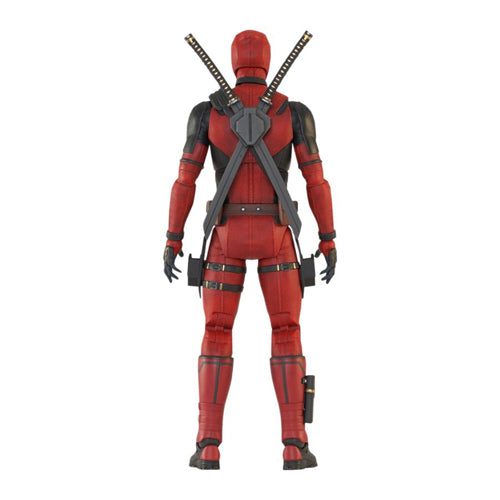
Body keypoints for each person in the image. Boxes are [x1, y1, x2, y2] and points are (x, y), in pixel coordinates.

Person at [164, 30, 336, 470]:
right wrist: (328, 237)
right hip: (277, 235)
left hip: (226, 237)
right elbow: (316, 180)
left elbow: (185, 180)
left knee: (216, 332)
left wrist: (173, 238)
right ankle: (295, 444)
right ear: (267, 60)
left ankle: (207, 445)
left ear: (234, 62)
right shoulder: (294, 114)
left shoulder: (206, 114)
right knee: (287, 332)